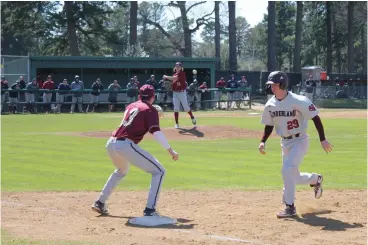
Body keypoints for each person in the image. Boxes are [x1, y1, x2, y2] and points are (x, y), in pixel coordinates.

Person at [92, 85, 179, 217]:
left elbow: (135, 118)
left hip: (111, 143)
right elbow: (156, 132)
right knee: (159, 171)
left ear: (139, 95)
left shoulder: (131, 106)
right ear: (153, 96)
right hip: (125, 144)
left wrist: (151, 111)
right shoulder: (150, 110)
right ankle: (150, 209)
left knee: (121, 171)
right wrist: (170, 150)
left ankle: (100, 202)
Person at [259, 71, 333, 218]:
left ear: (283, 84)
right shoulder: (270, 105)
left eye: (274, 84)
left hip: (300, 140)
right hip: (284, 142)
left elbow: (315, 118)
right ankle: (315, 179)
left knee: (287, 170)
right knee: (293, 175)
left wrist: (323, 139)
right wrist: (263, 141)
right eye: (271, 85)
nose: (272, 87)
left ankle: (290, 206)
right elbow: (269, 125)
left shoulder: (299, 100)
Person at [163, 62, 196, 129]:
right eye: (176, 66)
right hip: (175, 93)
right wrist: (169, 83)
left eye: (179, 66)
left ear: (181, 68)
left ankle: (192, 117)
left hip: (182, 93)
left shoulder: (182, 74)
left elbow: (174, 78)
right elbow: (173, 81)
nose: (177, 67)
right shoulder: (175, 74)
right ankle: (177, 123)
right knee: (176, 108)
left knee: (186, 108)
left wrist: (166, 77)